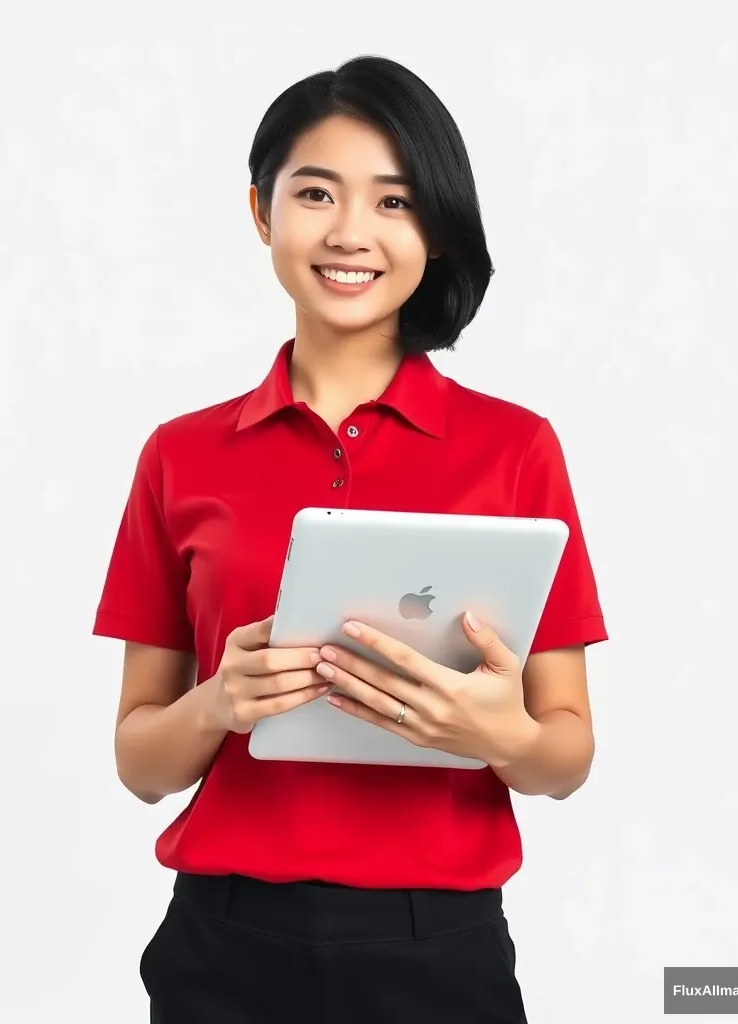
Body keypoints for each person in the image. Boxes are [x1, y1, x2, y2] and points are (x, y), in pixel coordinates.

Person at [93, 54, 607, 1024]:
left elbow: (568, 752)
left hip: (437, 946)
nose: (349, 233)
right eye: (316, 192)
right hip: (223, 946)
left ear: (436, 229)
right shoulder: (180, 455)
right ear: (261, 211)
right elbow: (139, 762)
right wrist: (217, 703)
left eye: (394, 203)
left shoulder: (516, 448)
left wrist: (495, 735)